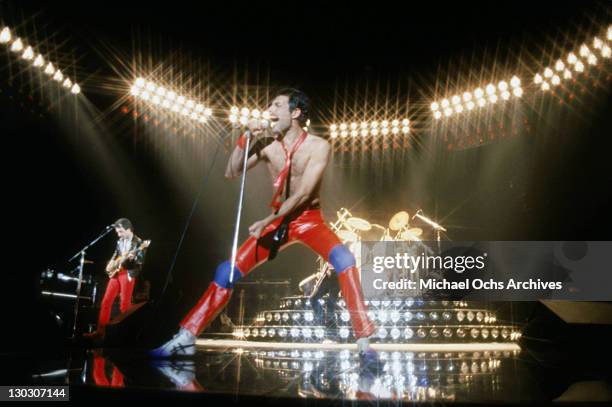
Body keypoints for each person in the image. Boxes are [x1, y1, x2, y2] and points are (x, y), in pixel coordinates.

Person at [150, 89, 376, 357]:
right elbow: (231, 171)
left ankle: (364, 340)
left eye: (277, 105)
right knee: (226, 272)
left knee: (345, 260)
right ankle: (186, 336)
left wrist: (269, 219)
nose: (269, 110)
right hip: (278, 222)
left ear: (295, 112)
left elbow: (303, 193)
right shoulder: (268, 145)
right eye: (269, 104)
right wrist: (247, 138)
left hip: (308, 220)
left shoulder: (319, 146)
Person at [84, 218, 148, 341]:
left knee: (125, 304)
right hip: (117, 272)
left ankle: (125, 335)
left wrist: (132, 258)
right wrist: (111, 263)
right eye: (117, 232)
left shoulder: (139, 243)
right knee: (106, 301)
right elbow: (116, 254)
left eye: (120, 232)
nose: (118, 235)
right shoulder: (120, 241)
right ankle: (100, 332)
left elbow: (140, 262)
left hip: (128, 273)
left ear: (128, 229)